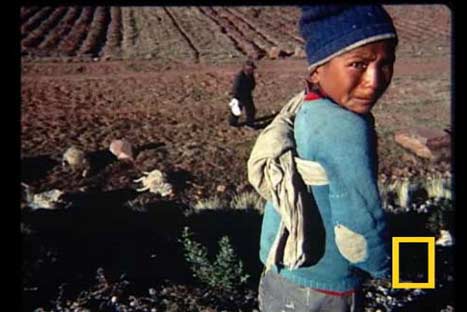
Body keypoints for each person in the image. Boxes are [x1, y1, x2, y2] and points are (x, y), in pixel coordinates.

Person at [247, 5, 398, 312]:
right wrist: (394, 269)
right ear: (317, 69)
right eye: (358, 64)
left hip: (283, 267)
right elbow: (359, 226)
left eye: (386, 63)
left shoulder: (305, 105)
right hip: (323, 284)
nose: (374, 80)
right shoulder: (345, 126)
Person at [228, 59, 257, 128]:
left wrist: (250, 89)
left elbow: (253, 83)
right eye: (251, 69)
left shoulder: (250, 75)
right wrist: (235, 97)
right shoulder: (239, 76)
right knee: (236, 110)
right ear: (247, 69)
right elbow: (235, 87)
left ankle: (249, 124)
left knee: (251, 110)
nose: (253, 70)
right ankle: (232, 123)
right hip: (239, 95)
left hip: (247, 94)